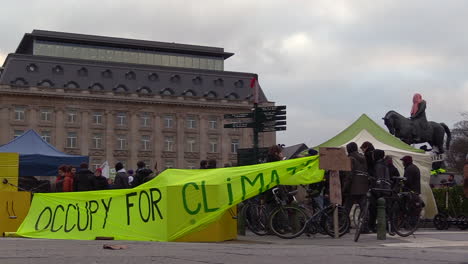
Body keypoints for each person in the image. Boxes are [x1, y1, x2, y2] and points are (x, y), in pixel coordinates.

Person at [342, 142, 369, 214]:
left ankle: (344, 224)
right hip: (363, 186)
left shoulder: (349, 159)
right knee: (364, 209)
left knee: (347, 208)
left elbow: (349, 175)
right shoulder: (363, 158)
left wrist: (345, 188)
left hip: (353, 188)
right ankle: (366, 224)